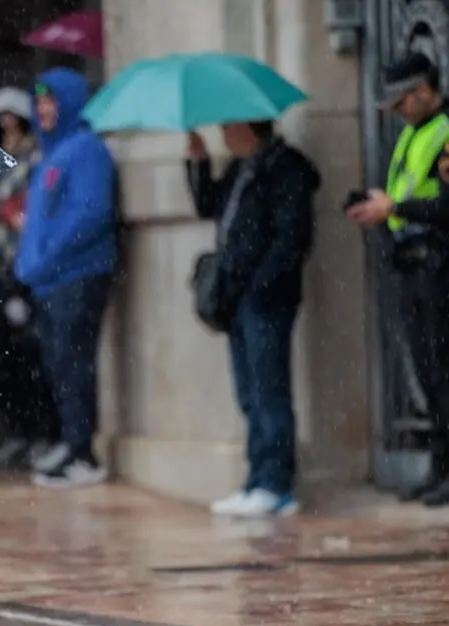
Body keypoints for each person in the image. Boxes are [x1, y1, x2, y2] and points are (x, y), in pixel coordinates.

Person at [188, 118, 320, 517]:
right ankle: (257, 478)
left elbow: (293, 237)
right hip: (236, 296)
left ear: (248, 126)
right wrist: (198, 163)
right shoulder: (240, 168)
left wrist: (261, 283)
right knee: (249, 393)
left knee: (269, 391)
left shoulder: (285, 168)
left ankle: (275, 483)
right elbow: (208, 205)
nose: (223, 132)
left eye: (228, 125)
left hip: (265, 297)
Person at [347, 53, 449, 506]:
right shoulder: (415, 133)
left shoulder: (445, 131)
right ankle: (439, 467)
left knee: (444, 376)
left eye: (401, 101)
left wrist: (394, 208)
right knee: (429, 377)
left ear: (424, 90)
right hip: (414, 267)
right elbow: (408, 191)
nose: (398, 112)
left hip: (440, 265)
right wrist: (380, 204)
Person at [14, 68, 117, 487]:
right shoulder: (51, 154)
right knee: (59, 365)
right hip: (50, 280)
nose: (43, 110)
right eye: (38, 102)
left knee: (74, 365)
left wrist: (46, 258)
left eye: (50, 101)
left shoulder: (86, 149)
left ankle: (82, 453)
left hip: (76, 275)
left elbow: (90, 213)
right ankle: (71, 441)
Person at [0, 85, 62, 469]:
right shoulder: (2, 155)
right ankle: (20, 430)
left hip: (25, 266)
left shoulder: (36, 156)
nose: (4, 123)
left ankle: (45, 432)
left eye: (9, 116)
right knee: (7, 358)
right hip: (1, 267)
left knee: (35, 356)